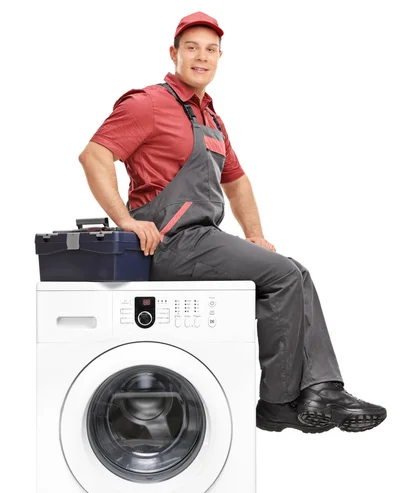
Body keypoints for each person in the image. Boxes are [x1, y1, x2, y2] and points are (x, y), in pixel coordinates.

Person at [79, 11, 387, 434]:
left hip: (203, 238)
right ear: (174, 54)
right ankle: (280, 402)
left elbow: (237, 182)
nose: (201, 57)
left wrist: (255, 235)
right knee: (282, 275)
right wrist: (126, 220)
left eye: (210, 50)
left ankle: (322, 387)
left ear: (220, 57)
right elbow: (94, 156)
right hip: (169, 242)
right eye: (192, 48)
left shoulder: (211, 118)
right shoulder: (147, 103)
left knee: (296, 271)